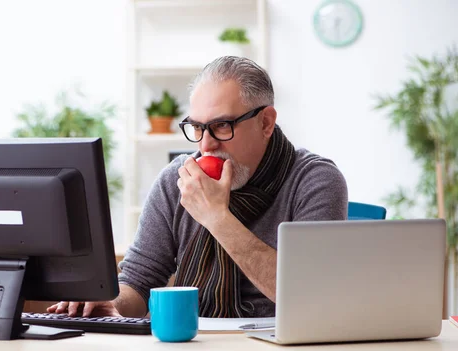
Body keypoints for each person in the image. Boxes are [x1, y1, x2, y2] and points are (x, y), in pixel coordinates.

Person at [48, 56, 348, 318]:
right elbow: (139, 281)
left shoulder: (315, 181)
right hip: (194, 342)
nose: (206, 145)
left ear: (266, 123)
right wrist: (110, 302)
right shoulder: (176, 180)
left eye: (221, 126)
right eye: (197, 127)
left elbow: (309, 295)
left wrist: (217, 218)